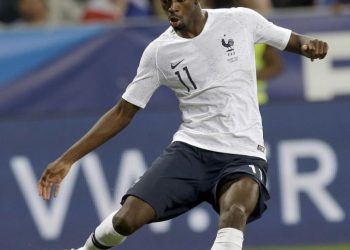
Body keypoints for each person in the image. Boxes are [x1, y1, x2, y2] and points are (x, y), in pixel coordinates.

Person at [38, 0, 328, 249]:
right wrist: (67, 159)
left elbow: (292, 40)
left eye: (177, 1)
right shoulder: (159, 52)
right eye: (165, 3)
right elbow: (123, 112)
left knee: (236, 210)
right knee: (126, 219)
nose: (171, 8)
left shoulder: (240, 20)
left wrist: (309, 45)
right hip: (191, 151)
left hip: (243, 152)